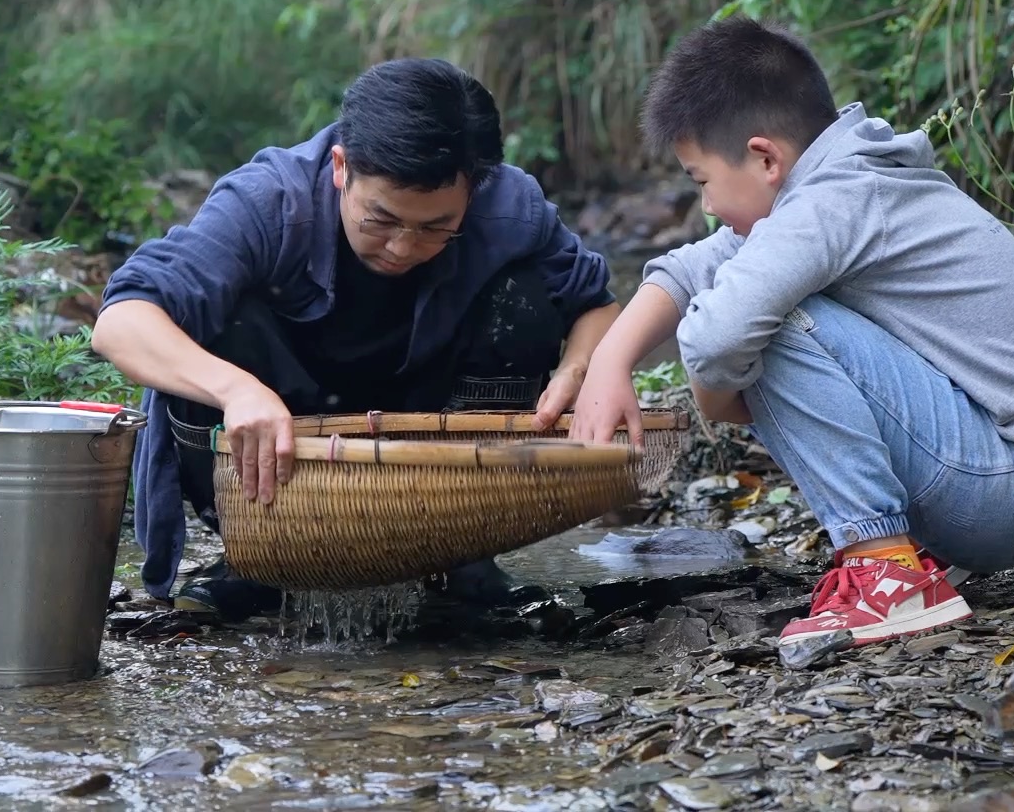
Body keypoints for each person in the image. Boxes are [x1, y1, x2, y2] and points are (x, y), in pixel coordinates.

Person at [570, 16, 1014, 647]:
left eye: (703, 182)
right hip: (1010, 471)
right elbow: (695, 264)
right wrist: (608, 361)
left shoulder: (836, 199)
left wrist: (712, 393)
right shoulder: (834, 183)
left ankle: (887, 573)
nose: (706, 207)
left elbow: (714, 341)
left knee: (767, 321)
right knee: (744, 296)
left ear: (765, 157)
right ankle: (895, 560)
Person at [92, 58, 621, 619]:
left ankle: (467, 560)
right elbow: (121, 321)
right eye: (381, 220)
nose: (402, 247)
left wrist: (581, 368)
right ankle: (257, 560)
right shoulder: (269, 200)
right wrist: (235, 390)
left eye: (436, 228)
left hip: (429, 419)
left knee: (527, 300)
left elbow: (596, 304)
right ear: (342, 167)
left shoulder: (509, 205)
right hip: (283, 424)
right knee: (217, 322)